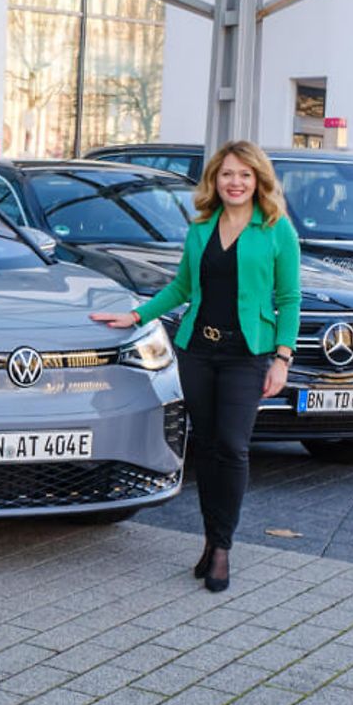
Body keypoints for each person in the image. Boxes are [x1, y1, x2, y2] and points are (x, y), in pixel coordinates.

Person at [92, 140, 300, 592]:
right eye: (227, 174)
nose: (236, 182)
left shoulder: (276, 229)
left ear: (258, 180)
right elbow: (182, 287)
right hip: (198, 351)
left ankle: (222, 547)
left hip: (248, 354)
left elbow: (289, 298)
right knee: (205, 447)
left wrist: (282, 358)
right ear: (215, 180)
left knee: (233, 446)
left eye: (245, 174)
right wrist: (136, 315)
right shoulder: (201, 227)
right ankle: (210, 539)